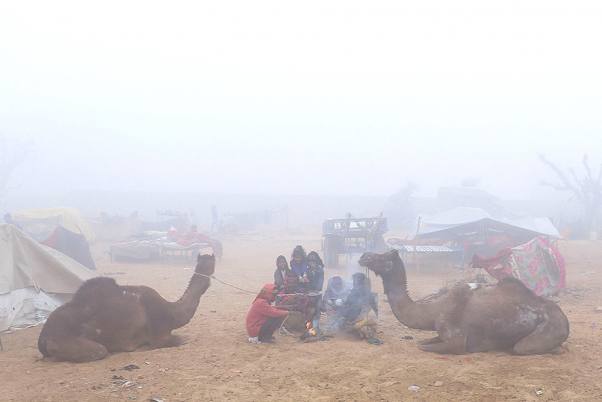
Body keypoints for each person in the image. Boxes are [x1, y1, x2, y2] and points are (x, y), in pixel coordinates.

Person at [343, 272, 381, 344]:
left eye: (356, 280)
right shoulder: (354, 291)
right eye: (354, 280)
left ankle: (362, 333)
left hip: (366, 318)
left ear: (361, 281)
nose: (354, 282)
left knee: (356, 327)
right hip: (359, 317)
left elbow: (373, 309)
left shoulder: (366, 293)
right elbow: (348, 304)